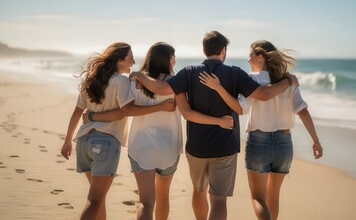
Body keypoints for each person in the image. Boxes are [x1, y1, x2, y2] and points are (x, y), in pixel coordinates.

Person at [129, 31, 298, 220]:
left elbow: (161, 89)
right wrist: (288, 81)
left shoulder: (189, 72)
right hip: (225, 147)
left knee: (199, 192)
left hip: (197, 147)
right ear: (223, 51)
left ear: (203, 50)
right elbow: (265, 94)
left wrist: (139, 75)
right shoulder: (235, 73)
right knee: (219, 201)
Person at [84, 42, 234, 220]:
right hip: (168, 148)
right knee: (163, 197)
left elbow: (123, 109)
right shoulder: (177, 83)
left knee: (145, 203)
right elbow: (188, 111)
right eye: (174, 57)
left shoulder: (134, 82)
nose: (175, 60)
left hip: (140, 146)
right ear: (169, 60)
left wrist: (93, 116)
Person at [199, 40, 323, 220]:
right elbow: (302, 110)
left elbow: (240, 108)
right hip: (284, 143)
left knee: (258, 198)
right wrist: (316, 140)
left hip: (259, 142)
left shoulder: (252, 79)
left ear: (260, 57)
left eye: (250, 55)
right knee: (273, 197)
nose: (248, 59)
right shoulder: (288, 80)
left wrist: (219, 89)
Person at [60, 42, 136, 220]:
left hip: (83, 142)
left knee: (98, 199)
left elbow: (78, 112)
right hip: (105, 144)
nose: (133, 61)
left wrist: (67, 141)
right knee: (95, 200)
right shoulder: (121, 81)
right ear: (119, 60)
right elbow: (123, 112)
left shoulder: (90, 80)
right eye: (130, 57)